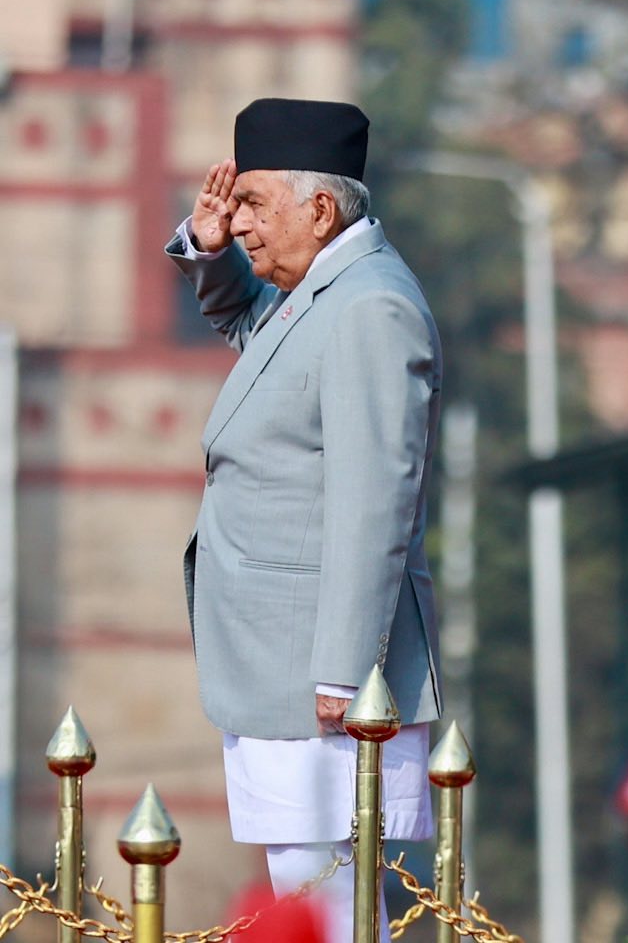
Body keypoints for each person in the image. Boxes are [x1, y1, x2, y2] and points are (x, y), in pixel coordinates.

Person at [166, 98, 443, 943]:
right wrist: (211, 256)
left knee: (333, 898)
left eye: (253, 204)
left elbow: (375, 496)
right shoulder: (330, 288)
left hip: (317, 664)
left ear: (319, 209)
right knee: (313, 889)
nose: (239, 222)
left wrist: (345, 669)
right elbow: (262, 338)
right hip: (280, 654)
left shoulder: (370, 306)